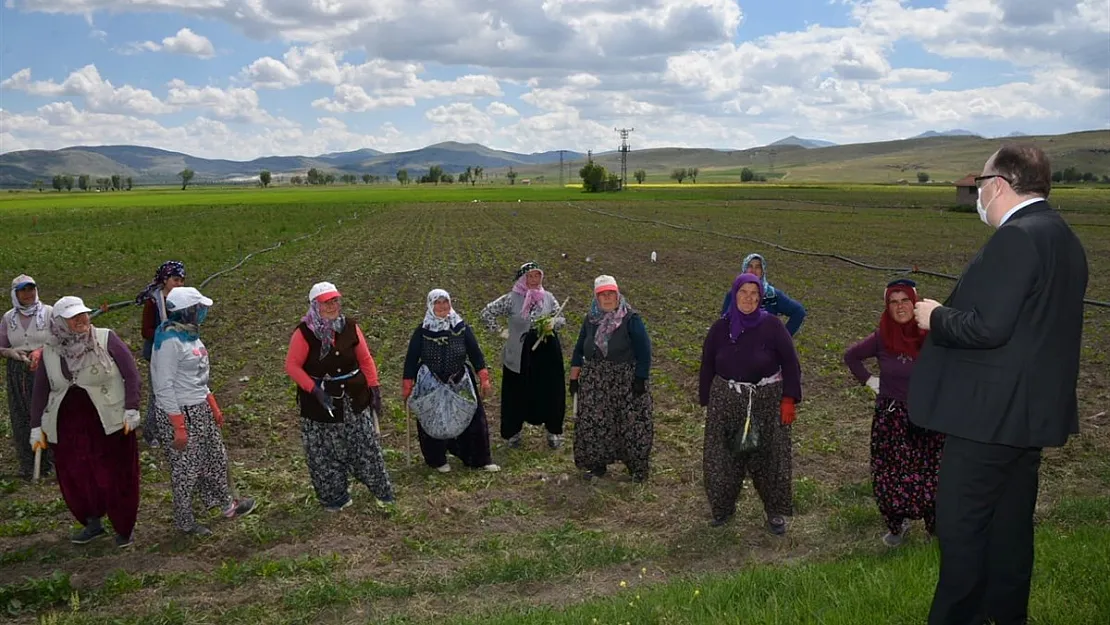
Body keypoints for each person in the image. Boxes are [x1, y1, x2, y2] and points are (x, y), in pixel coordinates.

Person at [909, 145, 1089, 625]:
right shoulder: (1064, 238)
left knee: (963, 531)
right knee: (1010, 533)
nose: (978, 193)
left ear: (1000, 184)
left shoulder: (1018, 237)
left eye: (981, 184)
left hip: (986, 419)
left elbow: (989, 328)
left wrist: (936, 315)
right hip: (1028, 419)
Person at [29, 297, 142, 547]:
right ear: (59, 322)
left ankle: (124, 527)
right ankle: (92, 521)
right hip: (68, 427)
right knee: (77, 475)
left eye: (83, 314)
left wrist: (131, 408)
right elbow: (40, 391)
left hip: (108, 422)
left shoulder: (105, 338)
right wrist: (36, 426)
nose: (81, 320)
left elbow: (131, 374)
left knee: (116, 475)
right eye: (73, 317)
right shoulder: (49, 351)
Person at [843, 279, 944, 546]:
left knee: (931, 472)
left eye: (905, 301)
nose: (900, 307)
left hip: (927, 415)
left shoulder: (932, 335)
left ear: (915, 303)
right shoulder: (881, 337)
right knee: (890, 474)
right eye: (893, 302)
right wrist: (871, 381)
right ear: (887, 307)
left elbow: (955, 364)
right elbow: (851, 357)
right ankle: (897, 525)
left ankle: (935, 526)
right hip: (892, 418)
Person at [699, 273, 802, 534]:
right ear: (734, 295)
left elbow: (790, 362)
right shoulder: (721, 327)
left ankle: (775, 512)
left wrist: (789, 399)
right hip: (728, 399)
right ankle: (723, 509)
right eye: (743, 292)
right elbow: (708, 363)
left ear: (760, 297)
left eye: (754, 293)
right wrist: (707, 399)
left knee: (770, 457)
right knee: (722, 457)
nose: (749, 298)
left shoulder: (773, 326)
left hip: (765, 400)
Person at [151, 287, 256, 536]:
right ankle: (185, 521)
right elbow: (162, 386)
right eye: (198, 309)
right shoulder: (169, 342)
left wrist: (213, 406)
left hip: (200, 409)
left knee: (215, 458)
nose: (202, 314)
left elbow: (199, 378)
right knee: (186, 469)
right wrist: (178, 426)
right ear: (187, 311)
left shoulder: (190, 336)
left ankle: (225, 504)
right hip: (181, 411)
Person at [284, 282, 394, 511]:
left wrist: (373, 388)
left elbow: (365, 359)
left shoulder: (350, 327)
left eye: (335, 300)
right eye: (327, 302)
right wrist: (314, 389)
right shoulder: (304, 333)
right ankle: (335, 498)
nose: (333, 305)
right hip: (320, 405)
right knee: (323, 453)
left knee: (365, 446)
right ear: (315, 305)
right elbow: (292, 366)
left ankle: (382, 493)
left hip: (354, 398)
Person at [402, 289, 499, 473]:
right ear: (431, 305)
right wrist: (407, 385)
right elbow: (411, 358)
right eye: (437, 303)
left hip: (459, 380)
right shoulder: (422, 330)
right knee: (432, 418)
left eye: (445, 302)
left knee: (474, 417)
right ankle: (437, 459)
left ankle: (478, 458)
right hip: (431, 380)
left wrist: (484, 378)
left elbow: (475, 353)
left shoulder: (460, 327)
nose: (442, 306)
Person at [569, 275, 654, 482]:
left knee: (631, 425)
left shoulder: (630, 319)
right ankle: (597, 465)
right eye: (602, 295)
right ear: (596, 298)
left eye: (611, 294)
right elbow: (580, 348)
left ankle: (637, 469)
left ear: (617, 295)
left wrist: (640, 379)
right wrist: (574, 378)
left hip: (625, 379)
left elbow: (645, 351)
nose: (607, 298)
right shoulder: (590, 320)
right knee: (595, 423)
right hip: (595, 380)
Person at [480, 261, 567, 450]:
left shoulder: (548, 298)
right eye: (530, 276)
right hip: (519, 354)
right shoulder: (511, 299)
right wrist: (501, 331)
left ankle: (553, 432)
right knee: (516, 392)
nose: (534, 280)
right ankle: (513, 433)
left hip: (547, 353)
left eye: (537, 276)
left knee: (550, 392)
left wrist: (554, 323)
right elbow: (486, 313)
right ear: (522, 278)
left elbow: (561, 318)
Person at [1, 275, 53, 479]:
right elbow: (2, 345)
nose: (28, 294)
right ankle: (28, 462)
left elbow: (60, 338)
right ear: (15, 294)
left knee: (46, 410)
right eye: (23, 290)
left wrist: (41, 351)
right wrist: (10, 353)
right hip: (18, 369)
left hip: (45, 365)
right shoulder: (9, 318)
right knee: (21, 413)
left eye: (31, 289)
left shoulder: (48, 313)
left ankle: (50, 461)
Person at [136, 260, 187, 447]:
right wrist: (164, 334)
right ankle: (152, 431)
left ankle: (175, 425)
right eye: (175, 280)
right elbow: (146, 330)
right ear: (165, 280)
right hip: (157, 353)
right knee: (159, 392)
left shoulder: (183, 299)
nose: (179, 284)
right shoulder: (154, 302)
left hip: (180, 352)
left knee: (178, 390)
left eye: (182, 280)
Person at [719, 253, 806, 336]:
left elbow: (798, 311)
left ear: (762, 271)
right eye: (750, 266)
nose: (753, 270)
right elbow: (724, 323)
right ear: (744, 268)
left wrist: (782, 338)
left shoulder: (771, 295)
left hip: (764, 348)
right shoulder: (734, 293)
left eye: (758, 267)